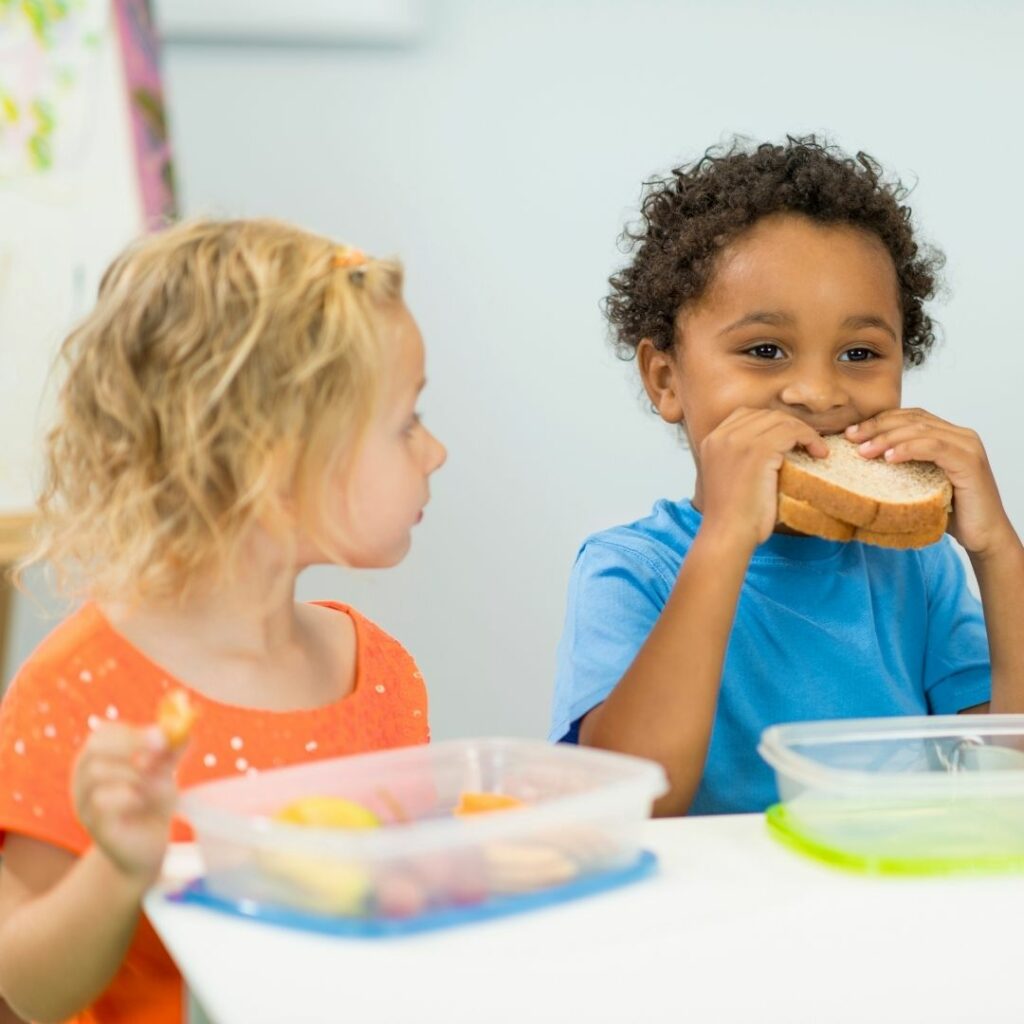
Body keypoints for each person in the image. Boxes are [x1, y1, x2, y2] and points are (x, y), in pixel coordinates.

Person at [0, 218, 446, 1023]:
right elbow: (27, 990)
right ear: (276, 466)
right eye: (406, 423)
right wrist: (117, 867)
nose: (436, 450)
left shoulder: (381, 671)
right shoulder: (78, 691)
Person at [550, 136, 1024, 817]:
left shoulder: (919, 569)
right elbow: (630, 805)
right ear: (665, 380)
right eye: (765, 350)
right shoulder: (631, 569)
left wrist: (997, 550)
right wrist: (724, 540)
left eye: (859, 352)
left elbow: (1006, 777)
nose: (815, 391)